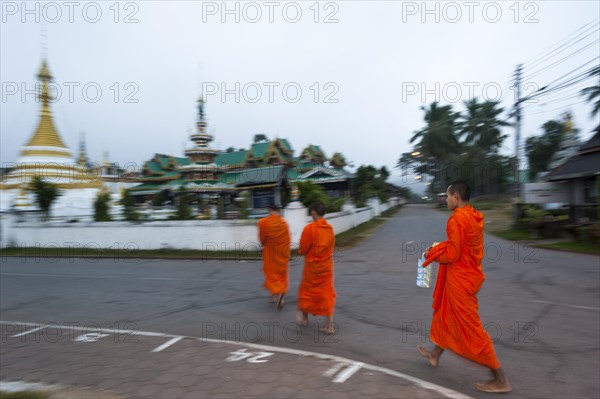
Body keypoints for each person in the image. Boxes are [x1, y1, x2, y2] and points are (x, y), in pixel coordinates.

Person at [417, 181, 512, 393]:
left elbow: (453, 253)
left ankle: (500, 378)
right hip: (470, 275)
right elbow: (458, 246)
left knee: (471, 329)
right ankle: (435, 355)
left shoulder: (456, 219)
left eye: (448, 196)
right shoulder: (474, 216)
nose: (446, 199)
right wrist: (437, 247)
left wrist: (431, 254)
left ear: (456, 197)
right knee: (447, 316)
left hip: (460, 280)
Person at [296, 201, 336, 334]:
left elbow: (303, 249)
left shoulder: (310, 228)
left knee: (307, 291)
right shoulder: (329, 229)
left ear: (313, 213)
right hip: (326, 267)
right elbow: (331, 247)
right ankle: (330, 326)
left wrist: (301, 251)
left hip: (313, 268)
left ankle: (305, 319)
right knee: (326, 294)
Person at [257, 202, 291, 311]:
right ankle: (278, 294)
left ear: (269, 209)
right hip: (282, 253)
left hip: (270, 253)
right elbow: (288, 240)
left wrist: (264, 244)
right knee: (281, 275)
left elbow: (262, 238)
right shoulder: (284, 223)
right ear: (278, 210)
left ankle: (275, 295)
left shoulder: (264, 222)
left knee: (271, 275)